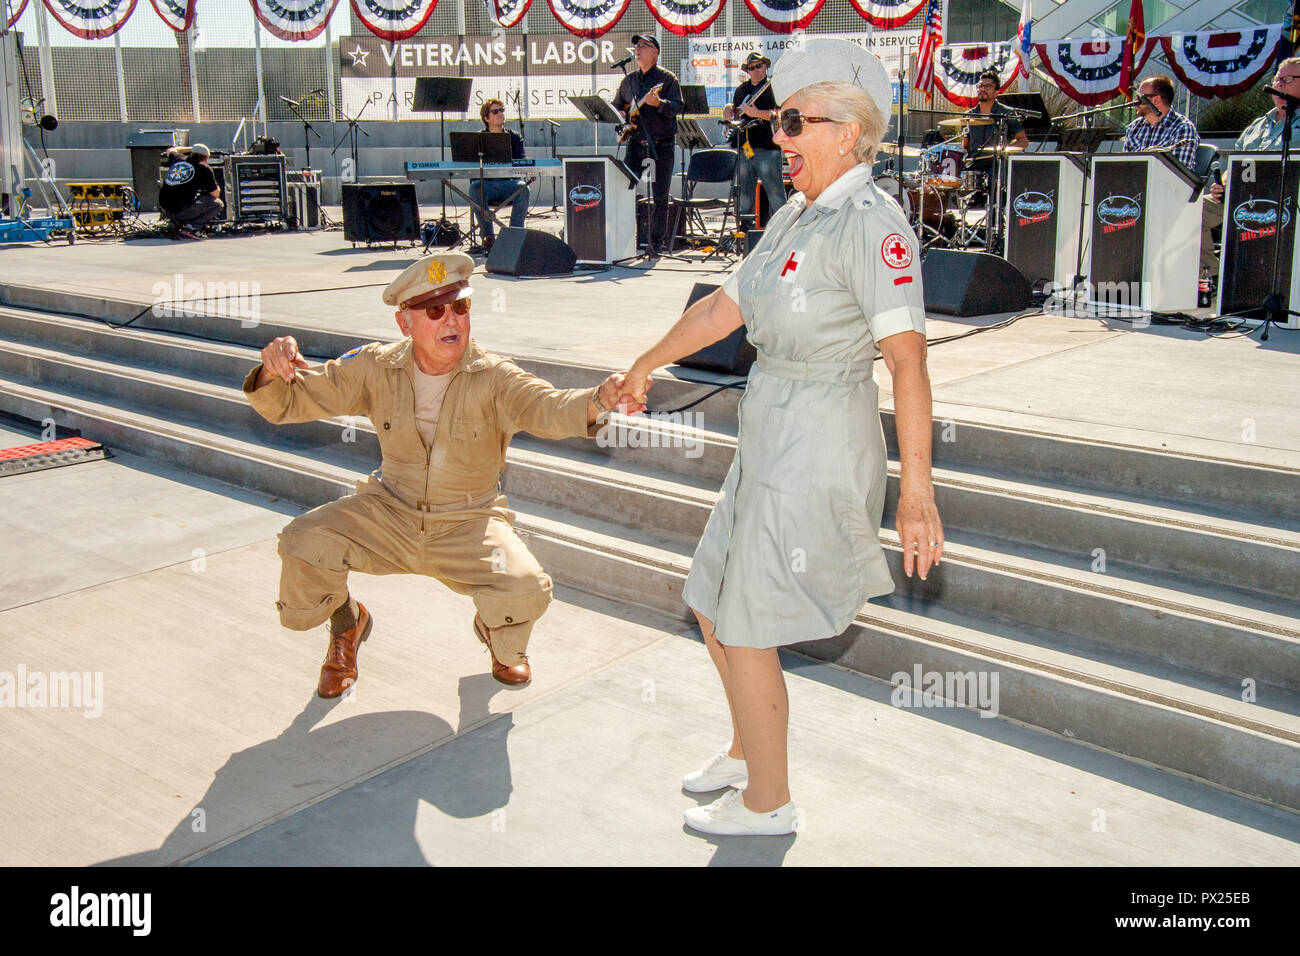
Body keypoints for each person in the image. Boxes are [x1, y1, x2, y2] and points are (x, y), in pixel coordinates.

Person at [616, 39, 944, 837]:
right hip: (768, 433)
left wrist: (919, 495)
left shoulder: (874, 225)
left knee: (751, 619)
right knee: (711, 599)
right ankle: (746, 747)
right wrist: (643, 364)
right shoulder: (798, 213)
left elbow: (908, 364)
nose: (780, 136)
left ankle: (770, 802)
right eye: (781, 120)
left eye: (796, 121)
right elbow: (723, 309)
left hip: (821, 439)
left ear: (849, 131)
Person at [243, 252, 625, 694]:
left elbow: (546, 406)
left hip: (468, 521)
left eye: (461, 306)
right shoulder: (375, 367)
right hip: (390, 511)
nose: (453, 321)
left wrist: (598, 400)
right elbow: (294, 400)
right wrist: (274, 371)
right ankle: (348, 625)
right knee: (302, 542)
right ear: (405, 323)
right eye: (435, 311)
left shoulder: (494, 376)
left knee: (526, 588)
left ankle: (495, 630)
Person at [1200, 57, 1300, 277]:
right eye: (1277, 79)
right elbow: (1237, 163)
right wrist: (1222, 186)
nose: (1279, 85)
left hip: (1284, 201)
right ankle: (1217, 276)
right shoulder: (1257, 126)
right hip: (1240, 197)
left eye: (1288, 79)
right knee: (1191, 212)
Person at [611, 34, 684, 257]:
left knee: (660, 195)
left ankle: (655, 244)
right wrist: (621, 113)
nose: (638, 49)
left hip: (660, 144)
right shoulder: (629, 80)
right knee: (623, 188)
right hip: (635, 142)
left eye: (644, 45)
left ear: (655, 52)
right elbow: (617, 106)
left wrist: (658, 103)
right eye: (637, 46)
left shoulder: (667, 79)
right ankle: (623, 238)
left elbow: (678, 107)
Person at [724, 52, 786, 232]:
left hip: (767, 146)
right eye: (752, 68)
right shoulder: (741, 90)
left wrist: (757, 113)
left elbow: (781, 115)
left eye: (759, 66)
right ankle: (745, 231)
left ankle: (780, 231)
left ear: (766, 66)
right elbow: (735, 111)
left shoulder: (773, 88)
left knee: (774, 192)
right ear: (748, 71)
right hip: (744, 146)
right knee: (744, 192)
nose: (756, 70)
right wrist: (729, 109)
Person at [468, 98, 531, 254]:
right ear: (486, 118)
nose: (500, 114)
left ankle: (514, 236)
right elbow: (469, 166)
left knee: (524, 189)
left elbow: (522, 163)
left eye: (502, 110)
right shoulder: (478, 139)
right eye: (495, 112)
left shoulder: (514, 137)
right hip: (487, 186)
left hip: (509, 185)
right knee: (475, 187)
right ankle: (488, 237)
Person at [961, 70, 1029, 181]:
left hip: (996, 165)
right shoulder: (968, 116)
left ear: (996, 92)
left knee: (996, 177)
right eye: (980, 86)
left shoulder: (1006, 113)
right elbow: (965, 145)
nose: (982, 89)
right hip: (974, 166)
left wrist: (1004, 150)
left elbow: (1023, 141)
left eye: (988, 86)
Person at [1122, 74, 1200, 170]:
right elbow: (1124, 167)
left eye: (1139, 97)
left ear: (1156, 100)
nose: (1135, 101)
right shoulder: (1134, 127)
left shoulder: (1183, 128)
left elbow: (1177, 173)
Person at [159, 143, 223, 239]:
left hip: (164, 209)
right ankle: (192, 228)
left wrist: (192, 148)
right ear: (206, 158)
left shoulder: (178, 159)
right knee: (217, 204)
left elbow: (171, 150)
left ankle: (174, 222)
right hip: (180, 211)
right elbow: (215, 194)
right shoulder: (204, 168)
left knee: (183, 198)